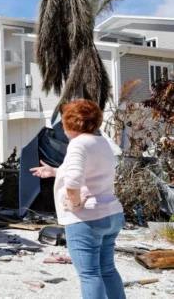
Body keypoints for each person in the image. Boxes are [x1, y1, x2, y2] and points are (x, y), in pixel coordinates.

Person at [31, 99, 125, 298]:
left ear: (70, 122)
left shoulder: (78, 144)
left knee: (89, 274)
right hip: (111, 214)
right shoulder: (102, 142)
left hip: (87, 219)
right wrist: (55, 171)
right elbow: (91, 172)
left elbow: (74, 181)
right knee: (107, 269)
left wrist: (74, 205)